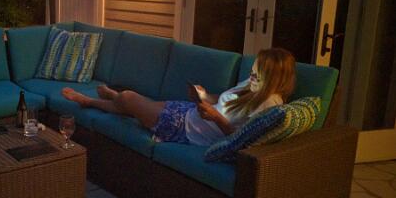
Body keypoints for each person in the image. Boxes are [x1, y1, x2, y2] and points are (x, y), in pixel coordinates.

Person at [61, 48, 296, 146]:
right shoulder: (253, 84)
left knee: (129, 99)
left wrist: (215, 117)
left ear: (274, 77)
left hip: (186, 130)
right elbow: (221, 99)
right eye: (253, 68)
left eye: (258, 71)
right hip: (189, 112)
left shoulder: (270, 105)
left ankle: (90, 101)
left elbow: (242, 140)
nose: (252, 74)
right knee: (131, 104)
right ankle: (111, 95)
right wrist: (204, 95)